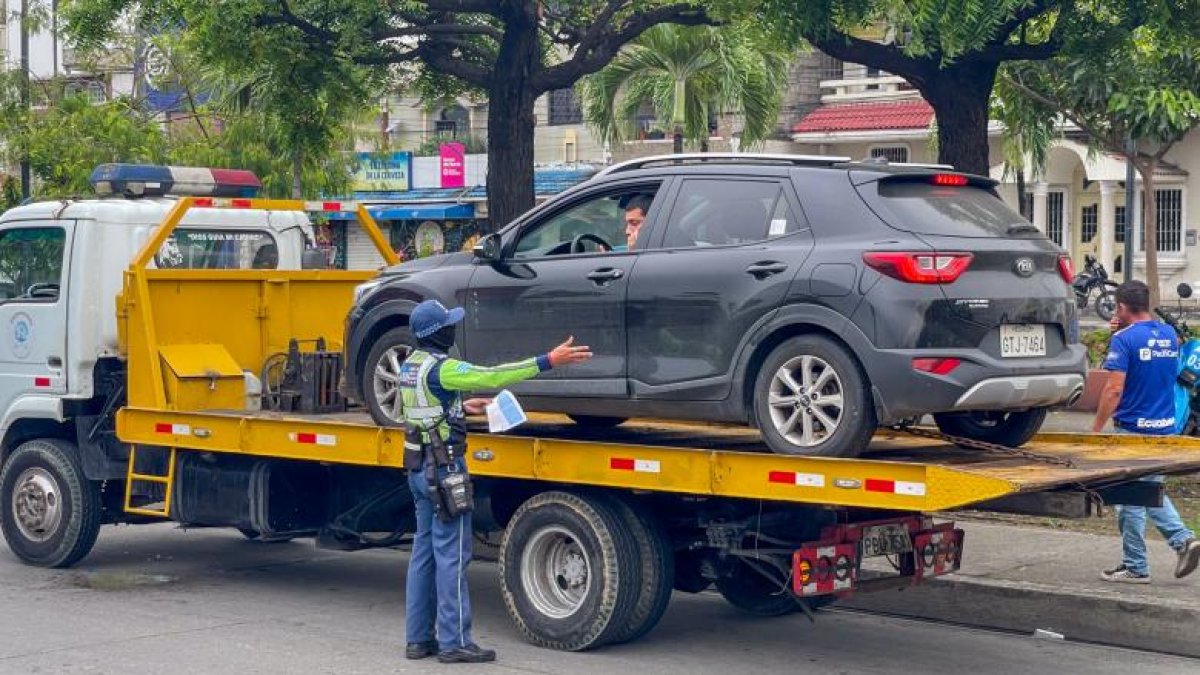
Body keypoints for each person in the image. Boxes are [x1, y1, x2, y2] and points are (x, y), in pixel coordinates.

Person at [399, 299, 592, 663]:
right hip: (445, 470)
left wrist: (459, 406)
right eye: (448, 325)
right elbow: (492, 376)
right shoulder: (443, 368)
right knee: (452, 556)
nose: (453, 329)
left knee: (423, 554)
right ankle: (454, 642)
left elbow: (424, 409)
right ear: (438, 333)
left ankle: (418, 639)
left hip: (418, 469)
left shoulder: (410, 365)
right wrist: (548, 360)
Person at [1091, 279, 1200, 583]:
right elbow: (1151, 359)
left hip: (1133, 430)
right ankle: (1174, 545)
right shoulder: (1168, 335)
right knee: (1146, 493)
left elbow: (1114, 389)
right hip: (1164, 427)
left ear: (1121, 306)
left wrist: (1096, 429)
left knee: (1131, 498)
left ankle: (1144, 562)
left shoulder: (1124, 339)